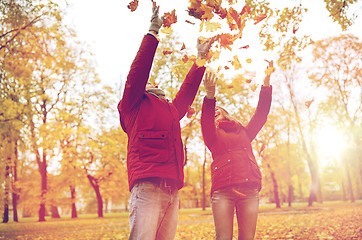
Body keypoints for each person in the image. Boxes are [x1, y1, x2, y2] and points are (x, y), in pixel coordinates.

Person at [117, 4, 212, 240]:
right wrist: (152, 33)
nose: (154, 81)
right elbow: (138, 72)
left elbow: (187, 92)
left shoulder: (170, 110)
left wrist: (200, 60)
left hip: (172, 188)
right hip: (147, 186)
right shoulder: (133, 105)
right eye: (150, 82)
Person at [200, 61, 274, 240]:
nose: (214, 112)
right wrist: (210, 96)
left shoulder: (244, 132)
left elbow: (261, 114)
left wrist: (266, 84)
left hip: (249, 189)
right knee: (223, 238)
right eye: (212, 112)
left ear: (225, 113)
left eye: (218, 110)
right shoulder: (212, 135)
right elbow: (205, 120)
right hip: (223, 190)